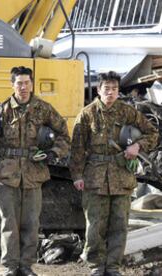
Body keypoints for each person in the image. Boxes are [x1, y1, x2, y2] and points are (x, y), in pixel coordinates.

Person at [70, 71, 158, 276]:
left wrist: (138, 145)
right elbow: (76, 148)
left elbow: (153, 133)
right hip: (94, 177)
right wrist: (77, 176)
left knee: (119, 225)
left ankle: (113, 267)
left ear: (118, 91)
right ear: (98, 90)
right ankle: (96, 267)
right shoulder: (87, 114)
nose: (110, 92)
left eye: (114, 89)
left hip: (122, 177)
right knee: (95, 227)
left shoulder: (128, 112)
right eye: (106, 88)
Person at [0, 66, 70, 276]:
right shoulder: (1, 110)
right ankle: (10, 267)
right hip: (7, 175)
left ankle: (26, 266)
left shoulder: (43, 109)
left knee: (31, 223)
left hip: (33, 173)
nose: (23, 87)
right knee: (9, 224)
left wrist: (54, 153)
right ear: (12, 84)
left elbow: (64, 135)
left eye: (27, 83)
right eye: (19, 83)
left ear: (32, 84)